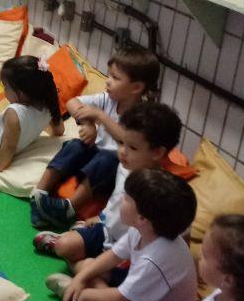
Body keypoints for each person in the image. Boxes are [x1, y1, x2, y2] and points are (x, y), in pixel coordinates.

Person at [34, 102, 183, 264]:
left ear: (157, 153)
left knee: (90, 266)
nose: (122, 151)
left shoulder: (159, 189)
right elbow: (115, 201)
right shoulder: (124, 166)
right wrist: (101, 218)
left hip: (128, 251)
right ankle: (75, 250)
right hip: (105, 231)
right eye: (121, 143)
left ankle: (82, 262)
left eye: (132, 147)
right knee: (65, 246)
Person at [31, 45, 160, 229]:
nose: (108, 81)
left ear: (137, 87)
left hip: (113, 168)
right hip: (91, 156)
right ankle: (39, 194)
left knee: (106, 158)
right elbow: (72, 102)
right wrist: (88, 124)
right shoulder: (108, 99)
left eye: (115, 78)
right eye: (109, 75)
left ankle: (68, 208)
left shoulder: (143, 114)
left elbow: (127, 139)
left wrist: (100, 117)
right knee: (75, 145)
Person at [50, 169, 198, 301]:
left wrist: (84, 295)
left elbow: (120, 297)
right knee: (87, 265)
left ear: (142, 218)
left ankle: (76, 296)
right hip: (139, 291)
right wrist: (80, 279)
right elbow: (113, 256)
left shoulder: (154, 259)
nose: (121, 199)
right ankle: (80, 291)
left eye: (126, 198)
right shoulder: (143, 230)